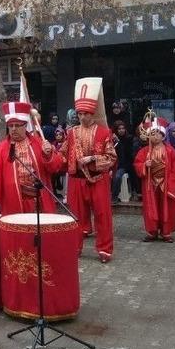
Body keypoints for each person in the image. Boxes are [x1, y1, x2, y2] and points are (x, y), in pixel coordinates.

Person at [60, 78, 117, 263]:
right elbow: (61, 155)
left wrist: (92, 158)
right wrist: (47, 152)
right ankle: (75, 247)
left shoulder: (103, 133)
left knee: (102, 215)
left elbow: (111, 158)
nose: (83, 117)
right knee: (75, 216)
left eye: (86, 113)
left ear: (93, 113)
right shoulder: (71, 133)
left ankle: (104, 249)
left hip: (98, 179)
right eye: (80, 113)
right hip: (76, 180)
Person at [0, 103, 63, 214]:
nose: (13, 129)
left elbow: (56, 168)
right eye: (10, 125)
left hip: (39, 202)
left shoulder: (40, 144)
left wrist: (49, 155)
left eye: (17, 125)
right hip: (12, 202)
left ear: (25, 125)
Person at [134, 118, 175, 242]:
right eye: (151, 134)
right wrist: (145, 165)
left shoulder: (171, 152)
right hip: (150, 183)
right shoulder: (143, 151)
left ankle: (166, 232)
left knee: (166, 208)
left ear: (162, 135)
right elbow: (137, 164)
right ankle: (152, 231)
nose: (154, 137)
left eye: (157, 134)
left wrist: (172, 186)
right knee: (151, 208)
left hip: (165, 183)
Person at [112, 121, 135, 204]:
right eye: (119, 129)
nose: (121, 130)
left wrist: (118, 142)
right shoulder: (111, 140)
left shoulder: (129, 139)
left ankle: (114, 197)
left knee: (117, 176)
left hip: (124, 165)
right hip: (112, 164)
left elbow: (126, 154)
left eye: (123, 128)